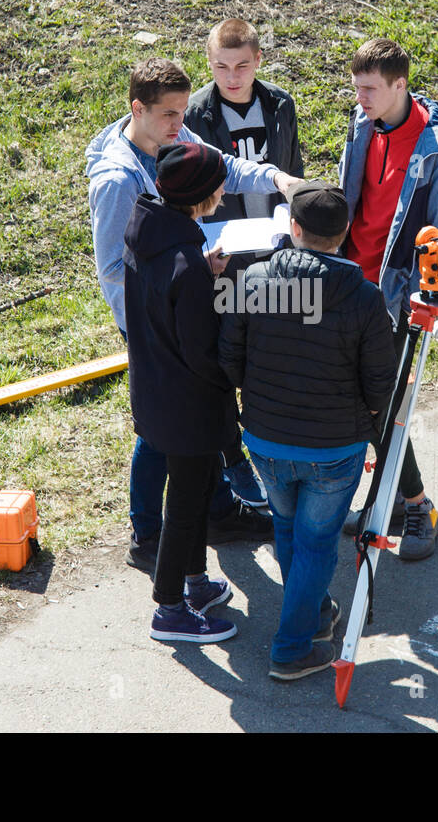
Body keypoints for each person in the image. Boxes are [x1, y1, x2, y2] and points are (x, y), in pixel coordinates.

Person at [85, 58, 305, 573]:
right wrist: (188, 267)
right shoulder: (118, 180)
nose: (179, 125)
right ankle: (147, 534)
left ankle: (217, 511)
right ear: (136, 109)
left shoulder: (171, 140)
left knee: (196, 417)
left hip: (183, 297)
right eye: (168, 115)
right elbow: (113, 267)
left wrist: (276, 177)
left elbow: (221, 165)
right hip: (149, 318)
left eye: (184, 112)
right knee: (160, 429)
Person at [219, 181, 397, 679]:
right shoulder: (365, 298)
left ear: (293, 229)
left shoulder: (251, 280)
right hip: (334, 448)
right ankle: (291, 649)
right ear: (344, 234)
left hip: (264, 441)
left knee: (286, 527)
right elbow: (380, 384)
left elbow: (229, 361)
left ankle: (315, 613)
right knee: (317, 542)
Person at [337, 38, 438, 560]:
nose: (361, 99)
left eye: (371, 89)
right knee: (368, 402)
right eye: (357, 88)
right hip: (353, 282)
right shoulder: (363, 122)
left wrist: (426, 302)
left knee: (383, 405)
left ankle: (417, 506)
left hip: (397, 298)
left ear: (400, 85)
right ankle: (389, 500)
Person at [185, 18, 304, 507]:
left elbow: (291, 169)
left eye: (241, 66)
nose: (231, 77)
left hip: (273, 250)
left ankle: (275, 450)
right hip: (225, 255)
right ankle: (232, 462)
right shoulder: (195, 113)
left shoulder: (279, 104)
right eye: (220, 67)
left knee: (272, 353)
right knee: (222, 359)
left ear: (258, 61)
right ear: (208, 64)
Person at [124, 141, 240, 642]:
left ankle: (194, 582)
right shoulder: (186, 264)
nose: (221, 193)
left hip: (154, 390)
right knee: (186, 508)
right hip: (190, 403)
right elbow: (202, 349)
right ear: (201, 196)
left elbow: (163, 301)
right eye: (217, 186)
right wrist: (236, 379)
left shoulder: (150, 233)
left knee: (188, 498)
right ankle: (169, 607)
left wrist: (201, 271)